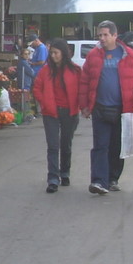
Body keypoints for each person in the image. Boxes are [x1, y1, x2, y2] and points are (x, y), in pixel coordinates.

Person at [77, 20, 133, 195]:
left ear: (115, 35)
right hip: (100, 109)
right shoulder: (93, 56)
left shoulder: (131, 56)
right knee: (100, 146)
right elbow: (85, 82)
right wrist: (85, 106)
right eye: (100, 35)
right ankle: (98, 181)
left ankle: (112, 178)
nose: (102, 38)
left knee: (117, 147)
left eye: (105, 35)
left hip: (123, 110)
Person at [32, 39, 81, 193]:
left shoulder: (75, 70)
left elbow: (82, 89)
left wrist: (83, 106)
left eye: (56, 53)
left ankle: (65, 172)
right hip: (50, 112)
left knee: (66, 144)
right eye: (51, 53)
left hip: (69, 112)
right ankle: (53, 178)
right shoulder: (46, 71)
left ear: (63, 53)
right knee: (53, 146)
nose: (53, 56)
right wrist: (44, 103)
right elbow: (37, 87)